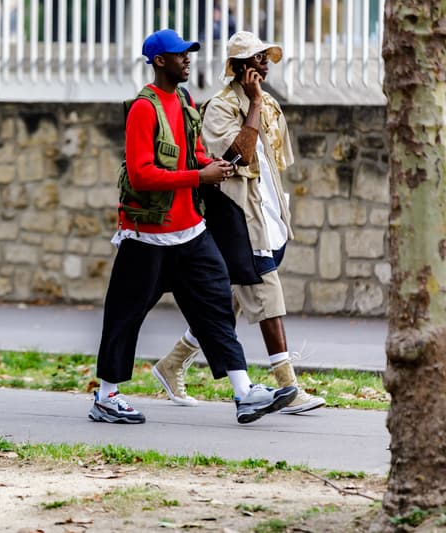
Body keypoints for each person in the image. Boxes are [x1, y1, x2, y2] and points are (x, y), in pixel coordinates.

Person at [89, 29, 297, 425]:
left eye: (189, 54)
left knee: (216, 305)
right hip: (147, 235)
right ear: (159, 61)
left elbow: (196, 152)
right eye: (180, 55)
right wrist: (197, 177)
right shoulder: (143, 109)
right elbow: (142, 174)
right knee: (125, 313)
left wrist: (209, 167)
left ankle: (244, 392)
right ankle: (106, 395)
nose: (188, 60)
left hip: (189, 231)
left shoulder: (184, 101)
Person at [153, 31, 326, 414]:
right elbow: (239, 157)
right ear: (240, 67)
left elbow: (275, 163)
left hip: (267, 213)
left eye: (266, 57)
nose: (265, 64)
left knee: (223, 305)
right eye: (257, 58)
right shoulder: (219, 108)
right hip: (240, 219)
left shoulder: (268, 104)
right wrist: (252, 106)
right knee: (267, 293)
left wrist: (259, 104)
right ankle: (288, 387)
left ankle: (172, 363)